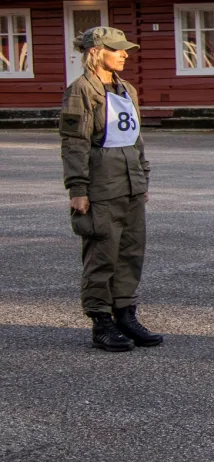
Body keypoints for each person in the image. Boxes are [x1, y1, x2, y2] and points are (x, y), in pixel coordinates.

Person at [60, 26, 161, 353]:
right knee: (102, 253)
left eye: (125, 49)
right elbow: (74, 143)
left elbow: (136, 139)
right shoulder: (82, 91)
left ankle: (126, 313)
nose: (125, 54)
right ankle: (101, 319)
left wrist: (142, 177)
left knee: (131, 252)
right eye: (117, 49)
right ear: (96, 52)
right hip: (101, 187)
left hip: (130, 184)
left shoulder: (126, 89)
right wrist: (78, 188)